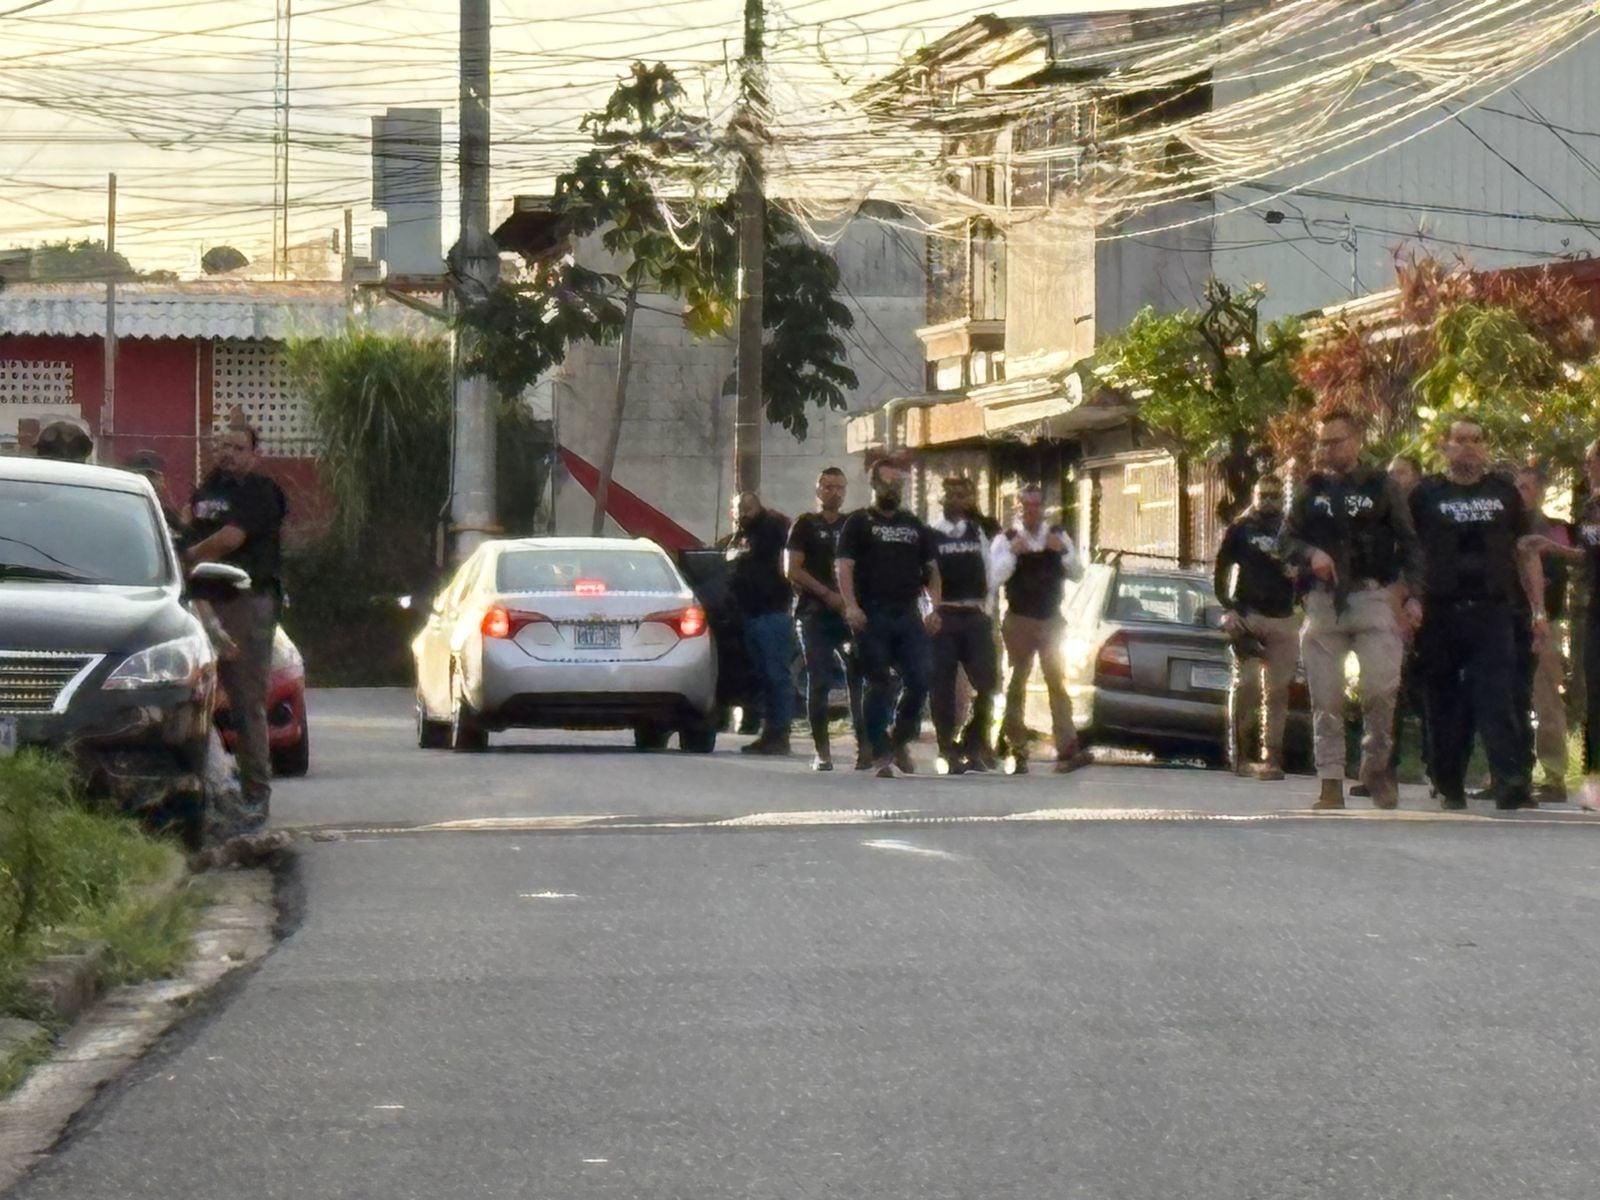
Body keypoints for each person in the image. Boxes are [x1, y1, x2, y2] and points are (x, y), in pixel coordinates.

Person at [1280, 410, 1424, 811]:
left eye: (1337, 441)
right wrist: (1311, 554)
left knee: (1380, 689)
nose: (1329, 449)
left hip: (1373, 595)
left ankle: (1376, 766)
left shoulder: (1382, 486)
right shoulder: (1312, 488)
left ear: (1357, 441)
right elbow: (1285, 539)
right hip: (1325, 602)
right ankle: (1329, 780)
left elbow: (1410, 543)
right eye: (1323, 442)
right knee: (1325, 698)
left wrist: (1413, 594)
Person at [1409, 421, 1549, 811]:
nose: (1469, 448)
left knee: (1498, 696)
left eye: (1476, 440)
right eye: (1461, 441)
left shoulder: (1504, 493)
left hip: (1493, 612)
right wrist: (1408, 605)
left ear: (1485, 448)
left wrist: (1539, 610)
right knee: (1443, 701)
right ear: (1445, 447)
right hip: (1440, 612)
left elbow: (1525, 551)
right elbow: (1410, 553)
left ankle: (1510, 781)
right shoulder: (1425, 495)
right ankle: (1449, 782)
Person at [185, 424, 288, 827]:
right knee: (192, 697)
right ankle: (205, 792)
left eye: (238, 447)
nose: (229, 453)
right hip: (203, 602)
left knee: (246, 702)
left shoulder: (261, 491)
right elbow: (188, 524)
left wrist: (188, 556)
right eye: (223, 446)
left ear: (254, 454)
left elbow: (230, 539)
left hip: (246, 602)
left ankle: (255, 796)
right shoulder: (207, 490)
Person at [837, 460, 941, 779]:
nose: (894, 489)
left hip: (908, 612)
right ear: (874, 486)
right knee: (879, 682)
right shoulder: (858, 522)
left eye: (899, 484)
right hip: (872, 613)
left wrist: (934, 608)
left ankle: (900, 738)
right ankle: (880, 749)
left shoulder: (913, 524)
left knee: (920, 678)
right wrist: (851, 606)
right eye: (888, 483)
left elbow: (932, 571)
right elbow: (844, 567)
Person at [990, 485, 1088, 775]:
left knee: (1057, 682)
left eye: (1036, 505)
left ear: (1043, 508)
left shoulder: (1057, 535)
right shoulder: (1006, 539)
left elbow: (1078, 572)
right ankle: (1017, 747)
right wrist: (1012, 555)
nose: (1032, 511)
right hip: (1019, 619)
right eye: (1026, 506)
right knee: (1016, 683)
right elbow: (993, 578)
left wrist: (1063, 554)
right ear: (1017, 509)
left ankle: (1067, 748)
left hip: (1051, 620)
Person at [1213, 474, 1298, 781]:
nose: (1269, 501)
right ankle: (1241, 754)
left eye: (1275, 495)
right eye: (1263, 495)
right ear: (1254, 496)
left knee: (1277, 692)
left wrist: (1297, 573)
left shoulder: (1292, 530)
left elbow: (1310, 569)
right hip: (1249, 614)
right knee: (1247, 683)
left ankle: (1272, 758)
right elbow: (1221, 569)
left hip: (1284, 617)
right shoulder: (1241, 528)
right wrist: (1229, 608)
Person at [786, 468, 866, 772]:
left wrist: (852, 603)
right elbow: (792, 569)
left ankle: (865, 745)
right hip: (814, 613)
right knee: (818, 680)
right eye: (828, 487)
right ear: (818, 490)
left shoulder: (851, 525)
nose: (834, 492)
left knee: (859, 677)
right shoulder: (805, 525)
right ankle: (822, 751)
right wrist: (827, 594)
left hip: (849, 612)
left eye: (840, 487)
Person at [929, 477, 999, 775]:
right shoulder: (930, 534)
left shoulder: (982, 530)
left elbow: (995, 571)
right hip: (944, 616)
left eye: (964, 495)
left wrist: (991, 615)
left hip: (975, 616)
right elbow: (924, 578)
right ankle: (947, 748)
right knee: (941, 687)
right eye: (952, 494)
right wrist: (928, 612)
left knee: (990, 684)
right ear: (941, 499)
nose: (958, 500)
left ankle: (974, 743)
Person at [1514, 464, 1572, 803]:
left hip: (1545, 620)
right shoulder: (1503, 528)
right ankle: (1510, 770)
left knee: (1546, 700)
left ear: (1540, 492)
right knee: (1507, 698)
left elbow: (1567, 567)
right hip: (1506, 620)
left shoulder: (1556, 530)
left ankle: (1554, 776)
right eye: (1516, 486)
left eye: (1525, 487)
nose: (1519, 492)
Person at [728, 492, 795, 757]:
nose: (743, 513)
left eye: (748, 508)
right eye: (738, 509)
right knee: (763, 676)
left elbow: (786, 560)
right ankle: (769, 733)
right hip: (750, 614)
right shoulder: (741, 535)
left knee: (776, 675)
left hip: (772, 613)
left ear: (759, 506)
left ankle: (780, 733)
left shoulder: (773, 527)